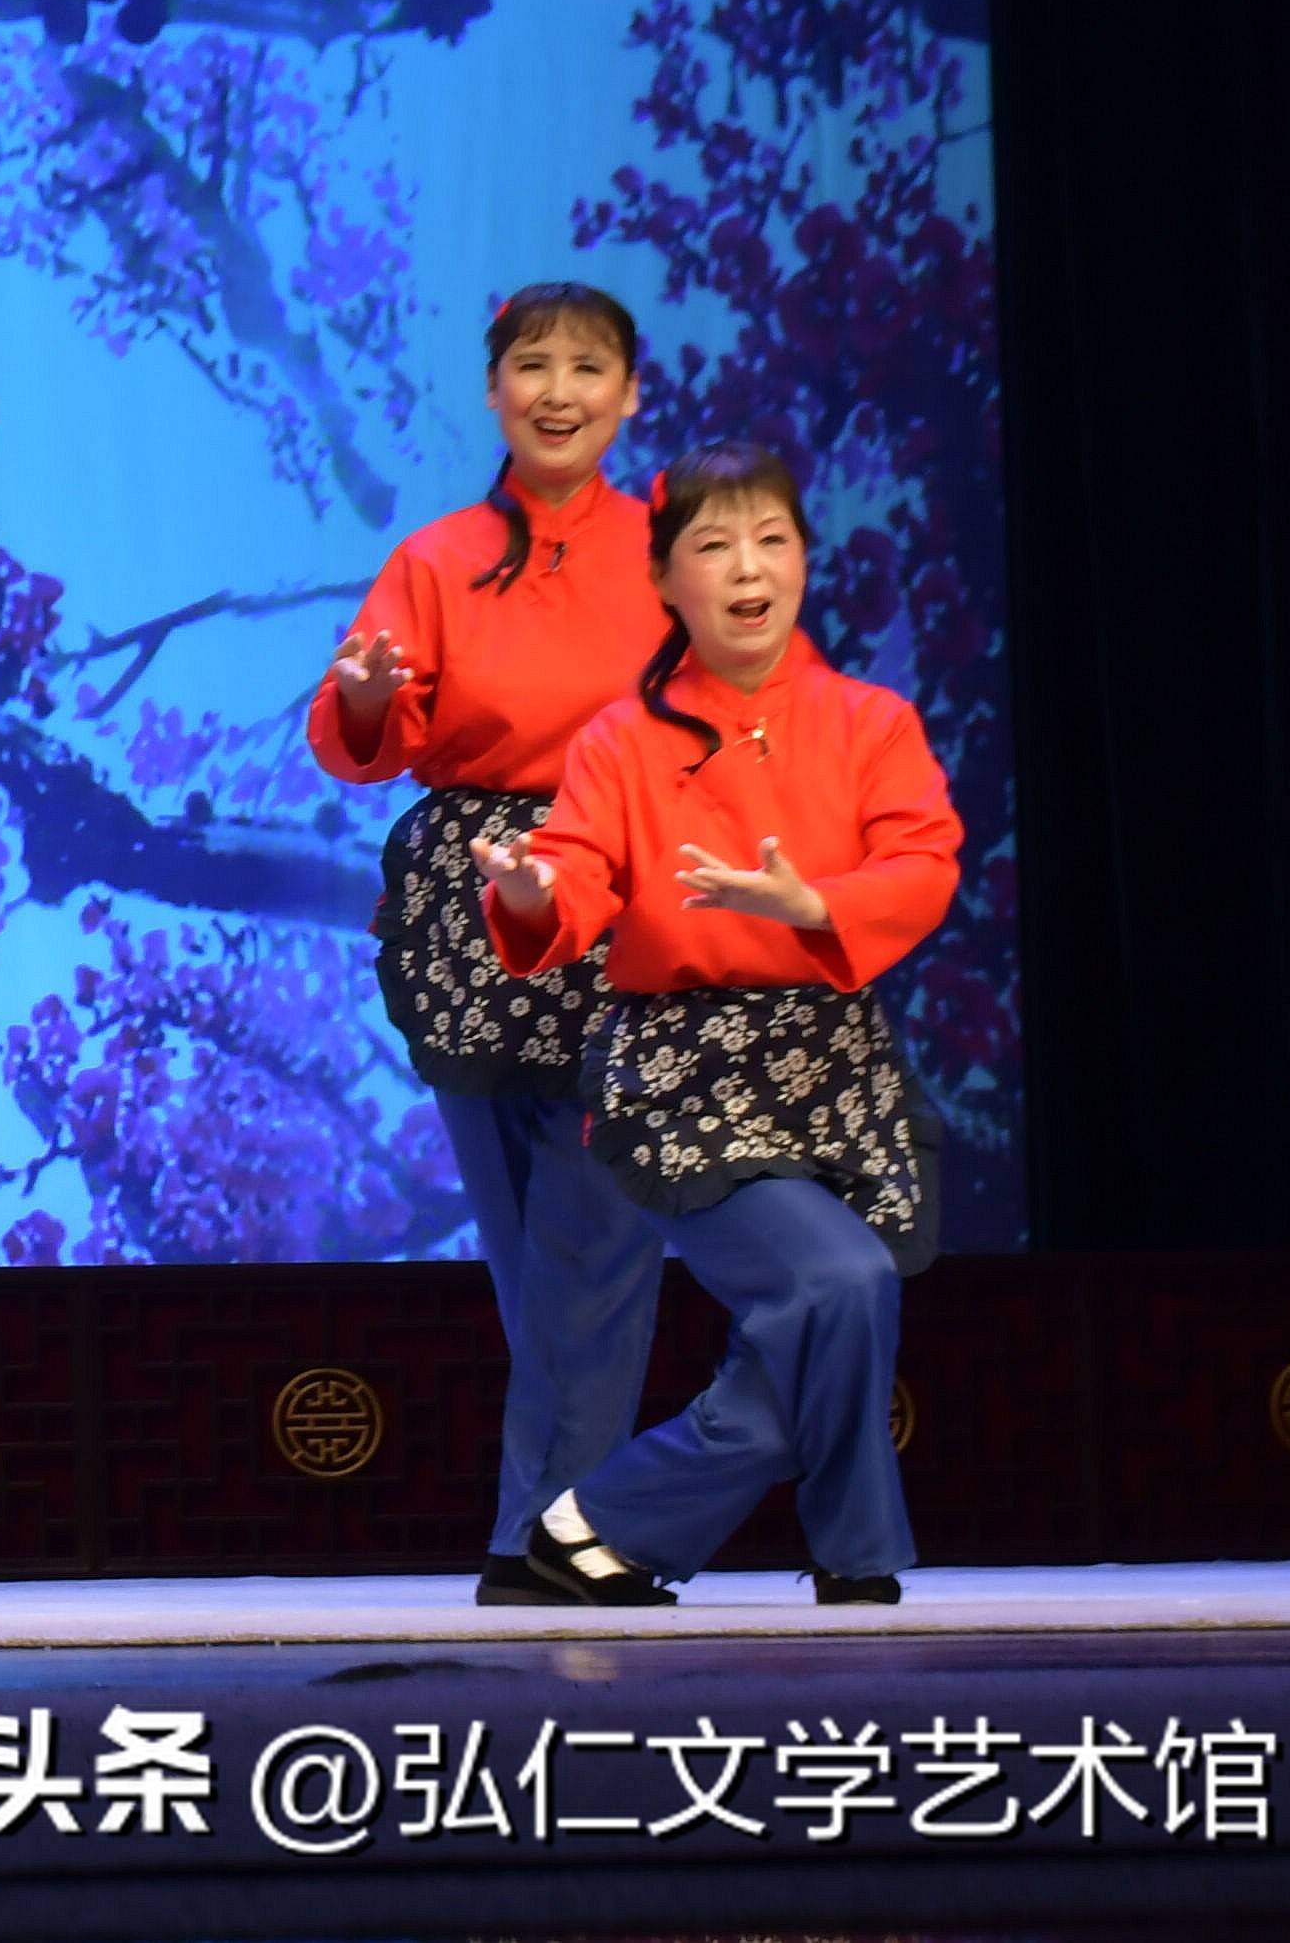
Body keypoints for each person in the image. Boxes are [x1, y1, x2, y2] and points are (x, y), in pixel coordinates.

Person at [475, 441, 959, 1609]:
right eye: (714, 544)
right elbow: (573, 874)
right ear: (664, 580)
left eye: (770, 540)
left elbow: (923, 860)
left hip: (833, 1067)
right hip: (682, 1076)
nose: (748, 568)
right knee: (838, 1279)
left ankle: (826, 1555)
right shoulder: (621, 741)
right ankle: (616, 1516)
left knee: (837, 1302)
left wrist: (818, 905)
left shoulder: (870, 722)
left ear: (803, 559)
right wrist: (532, 892)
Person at [308, 281, 671, 1600]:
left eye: (587, 366)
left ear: (629, 393)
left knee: (603, 1225)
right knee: (530, 1243)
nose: (558, 390)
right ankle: (561, 1530)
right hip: (473, 900)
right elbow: (362, 738)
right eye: (533, 365)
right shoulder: (438, 556)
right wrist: (364, 696)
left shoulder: (671, 546)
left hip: (623, 881)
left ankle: (545, 1533)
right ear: (493, 390)